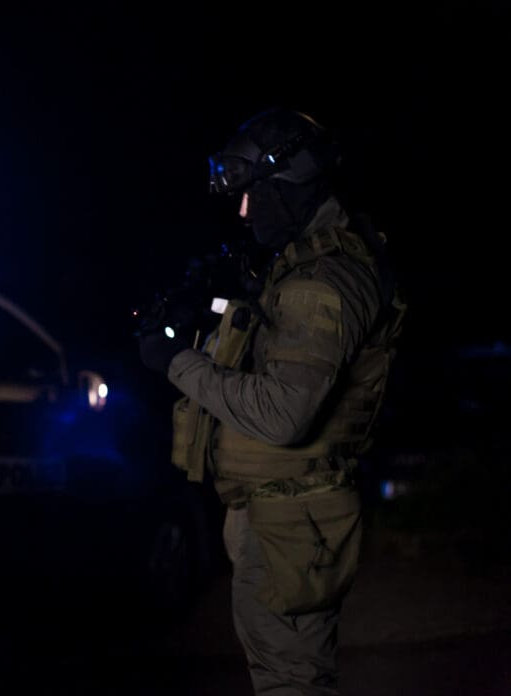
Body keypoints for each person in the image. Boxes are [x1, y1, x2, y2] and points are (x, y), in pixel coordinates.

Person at [140, 108, 405, 695]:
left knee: (291, 683)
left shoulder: (323, 280)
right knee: (281, 676)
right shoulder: (308, 267)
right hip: (281, 512)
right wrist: (213, 314)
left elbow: (284, 413)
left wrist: (176, 361)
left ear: (289, 184)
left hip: (292, 520)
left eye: (252, 195)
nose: (243, 212)